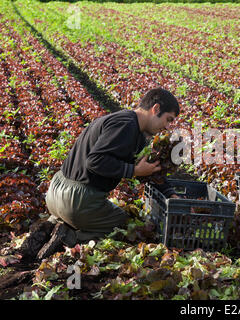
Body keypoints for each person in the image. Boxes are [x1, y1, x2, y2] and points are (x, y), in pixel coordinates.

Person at [21, 87, 180, 260]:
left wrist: (170, 193)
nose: (167, 127)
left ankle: (51, 226)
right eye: (168, 119)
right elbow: (95, 161)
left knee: (89, 216)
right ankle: (68, 237)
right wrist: (133, 171)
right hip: (78, 200)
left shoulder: (128, 125)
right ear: (155, 109)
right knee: (125, 226)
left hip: (55, 192)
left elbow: (148, 169)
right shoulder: (127, 126)